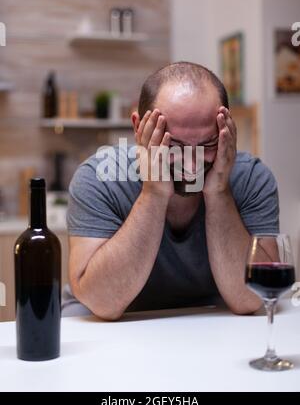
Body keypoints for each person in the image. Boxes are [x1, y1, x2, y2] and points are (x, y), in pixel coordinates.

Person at [63, 62, 279, 320]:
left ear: (227, 131)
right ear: (138, 127)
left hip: (209, 318)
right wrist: (153, 193)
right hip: (106, 323)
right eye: (173, 144)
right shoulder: (99, 177)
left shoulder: (252, 178)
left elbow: (252, 298)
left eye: (208, 143)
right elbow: (102, 303)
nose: (191, 165)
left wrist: (219, 192)